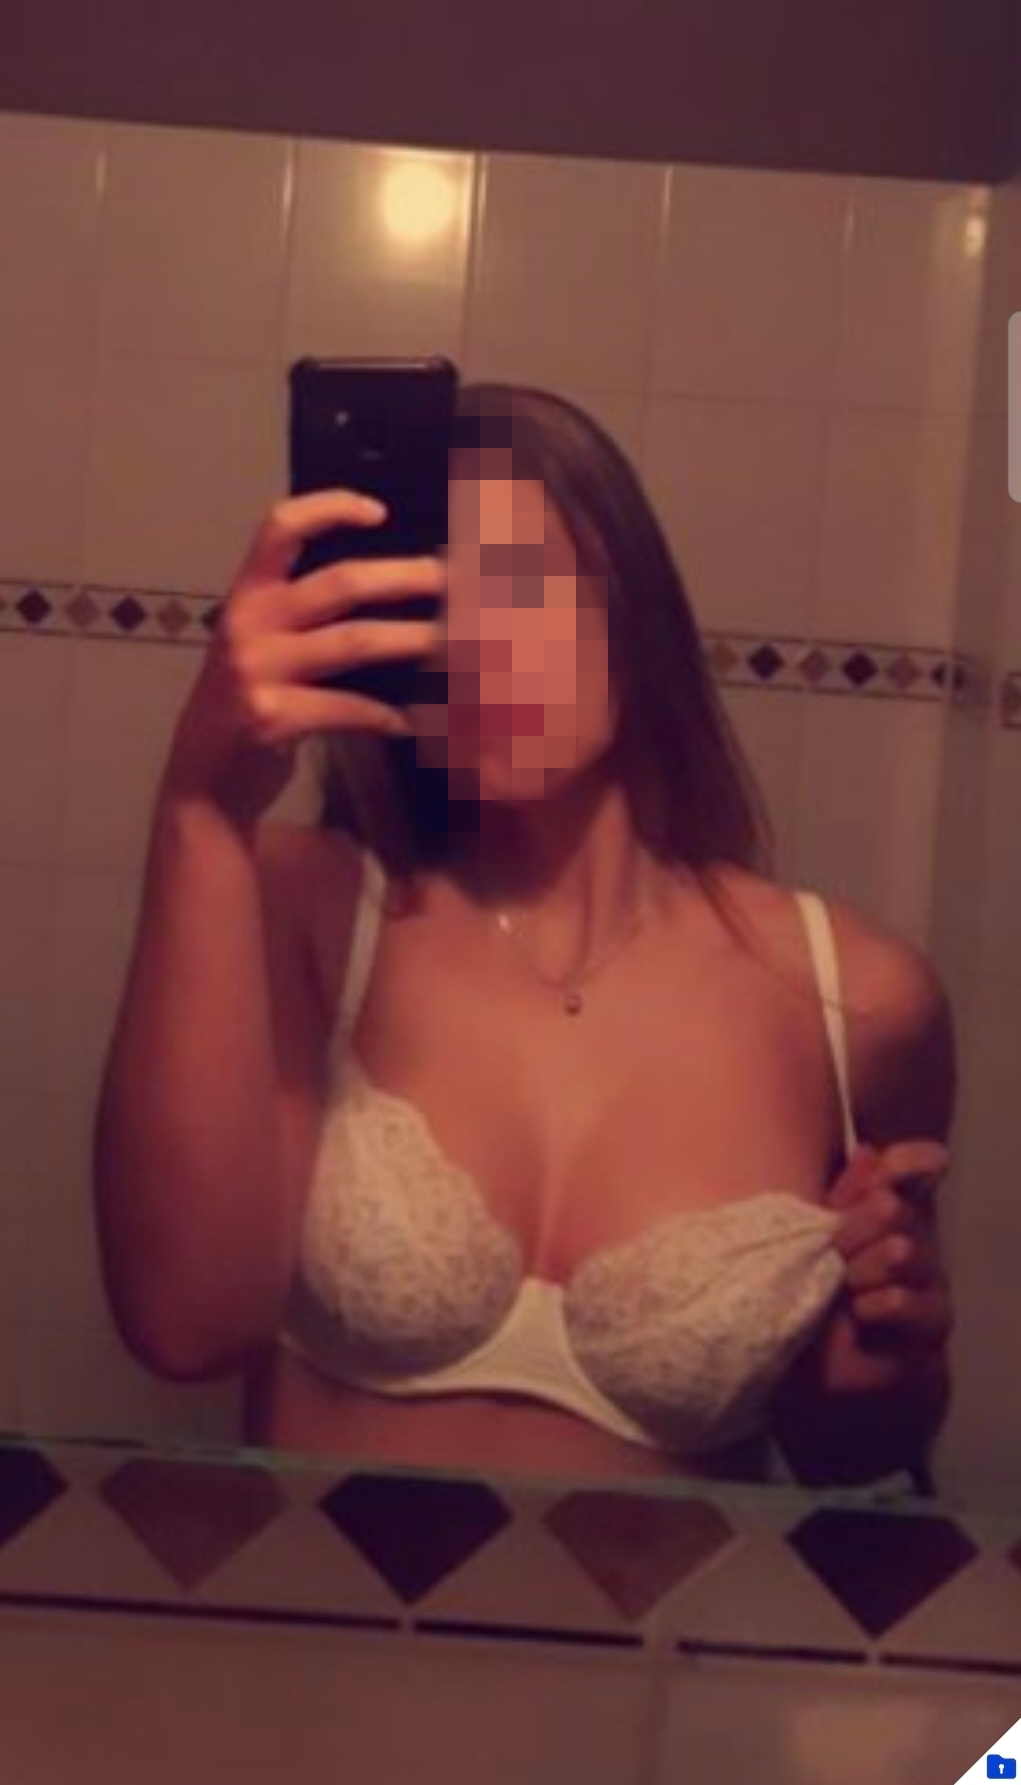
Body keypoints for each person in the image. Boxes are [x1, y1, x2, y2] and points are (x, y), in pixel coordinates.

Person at [93, 384, 956, 1489]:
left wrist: (878, 1370)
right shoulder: (305, 909)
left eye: (522, 586)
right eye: (428, 606)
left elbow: (851, 1452)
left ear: (632, 608)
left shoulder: (858, 1002)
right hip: (307, 1605)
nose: (478, 646)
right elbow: (185, 1327)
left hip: (676, 1611)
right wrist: (200, 806)